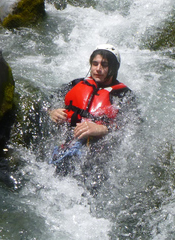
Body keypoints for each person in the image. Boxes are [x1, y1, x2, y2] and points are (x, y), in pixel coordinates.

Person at [48, 44, 137, 177]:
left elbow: (133, 126)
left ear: (113, 68)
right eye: (95, 64)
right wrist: (52, 112)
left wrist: (104, 129)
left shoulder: (123, 95)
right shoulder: (76, 83)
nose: (98, 68)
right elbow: (48, 102)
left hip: (98, 152)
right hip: (67, 141)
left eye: (104, 65)